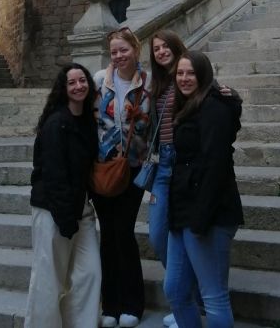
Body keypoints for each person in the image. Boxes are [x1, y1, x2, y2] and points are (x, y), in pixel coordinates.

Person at [163, 51, 243, 328]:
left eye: (191, 73)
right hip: (183, 209)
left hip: (209, 213)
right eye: (180, 73)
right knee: (174, 289)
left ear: (204, 75)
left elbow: (215, 165)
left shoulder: (214, 106)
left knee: (213, 296)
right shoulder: (187, 105)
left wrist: (201, 218)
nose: (184, 78)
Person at [24, 63, 101, 328]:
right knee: (48, 279)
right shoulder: (56, 123)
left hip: (81, 210)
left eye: (83, 80)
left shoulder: (88, 121)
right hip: (52, 211)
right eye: (72, 82)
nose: (79, 86)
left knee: (90, 273)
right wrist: (65, 218)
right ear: (64, 88)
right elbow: (53, 174)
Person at [93, 27, 152, 328]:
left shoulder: (149, 83)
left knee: (124, 233)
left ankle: (132, 303)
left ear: (135, 50)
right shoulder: (99, 82)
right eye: (114, 51)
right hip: (103, 168)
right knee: (108, 236)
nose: (118, 56)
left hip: (133, 167)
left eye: (123, 50)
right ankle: (110, 305)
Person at [147, 30, 187, 328]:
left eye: (164, 47)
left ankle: (182, 301)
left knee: (180, 236)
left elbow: (215, 90)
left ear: (175, 47)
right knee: (157, 235)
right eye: (156, 49)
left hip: (184, 163)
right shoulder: (158, 84)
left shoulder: (189, 74)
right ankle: (184, 291)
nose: (161, 52)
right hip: (162, 165)